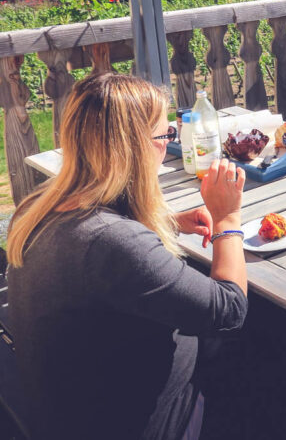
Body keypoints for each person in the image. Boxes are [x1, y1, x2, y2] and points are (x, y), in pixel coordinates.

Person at [6, 73, 248, 440]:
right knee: (271, 341)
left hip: (70, 407)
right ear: (132, 148)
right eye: (164, 136)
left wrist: (167, 221)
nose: (167, 146)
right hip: (142, 422)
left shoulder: (36, 209)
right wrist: (228, 219)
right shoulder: (112, 244)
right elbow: (229, 310)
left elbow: (99, 250)